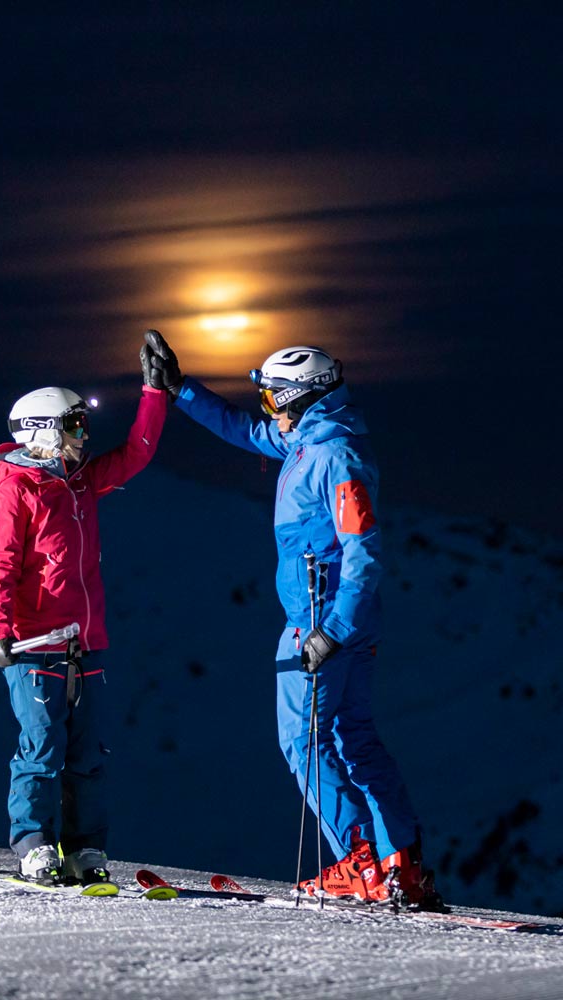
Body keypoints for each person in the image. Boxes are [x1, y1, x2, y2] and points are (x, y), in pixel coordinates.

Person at [144, 330, 440, 909]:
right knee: (352, 740)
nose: (269, 411)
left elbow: (364, 548)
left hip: (320, 622)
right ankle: (398, 865)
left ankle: (361, 866)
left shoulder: (334, 454)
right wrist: (180, 391)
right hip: (341, 620)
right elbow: (244, 432)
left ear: (302, 396)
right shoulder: (313, 439)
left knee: (302, 743)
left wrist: (332, 628)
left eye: (274, 398)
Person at [0, 333, 170, 885]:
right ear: (42, 431)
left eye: (83, 425)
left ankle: (85, 848)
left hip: (85, 641)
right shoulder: (17, 492)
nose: (83, 435)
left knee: (89, 751)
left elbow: (136, 452)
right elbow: (3, 566)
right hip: (34, 641)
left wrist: (155, 392)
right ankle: (34, 843)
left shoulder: (80, 482)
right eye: (74, 426)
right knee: (42, 747)